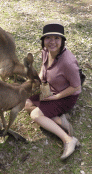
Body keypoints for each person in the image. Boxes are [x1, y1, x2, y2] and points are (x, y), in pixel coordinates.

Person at [24, 20, 81, 160]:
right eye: (48, 37)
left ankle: (68, 140)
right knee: (26, 104)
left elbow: (76, 87)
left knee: (36, 115)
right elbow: (44, 69)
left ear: (62, 41)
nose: (52, 41)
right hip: (50, 88)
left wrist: (56, 98)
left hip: (66, 96)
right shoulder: (46, 51)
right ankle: (59, 120)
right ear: (43, 40)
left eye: (57, 38)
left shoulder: (68, 62)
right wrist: (36, 80)